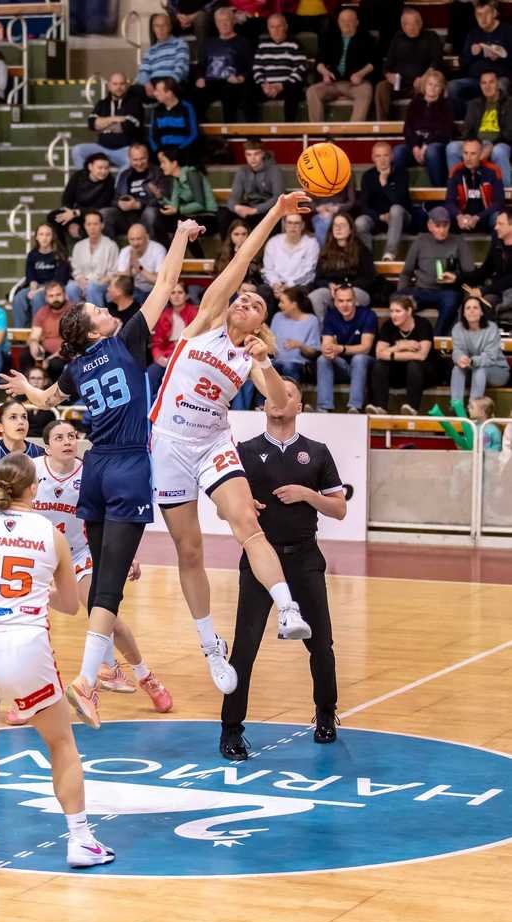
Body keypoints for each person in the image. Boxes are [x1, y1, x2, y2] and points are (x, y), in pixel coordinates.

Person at [0, 218, 207, 729]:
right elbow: (165, 282)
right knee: (110, 584)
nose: (106, 309)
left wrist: (27, 389)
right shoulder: (128, 340)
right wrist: (180, 236)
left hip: (94, 468)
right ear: (94, 331)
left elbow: (46, 401)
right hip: (129, 466)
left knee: (102, 585)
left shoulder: (76, 368)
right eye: (98, 311)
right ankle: (89, 680)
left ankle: (117, 673)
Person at [149, 192, 315, 699]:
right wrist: (277, 211)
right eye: (241, 298)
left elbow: (280, 403)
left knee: (247, 522)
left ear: (261, 323)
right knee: (189, 549)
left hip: (213, 444)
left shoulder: (252, 357)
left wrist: (264, 362)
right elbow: (241, 259)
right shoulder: (203, 323)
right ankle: (210, 645)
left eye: (255, 304)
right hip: (169, 445)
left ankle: (287, 607)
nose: (244, 302)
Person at [0, 452, 114, 869]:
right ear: (33, 488)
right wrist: (38, 590)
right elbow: (71, 605)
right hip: (25, 646)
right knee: (60, 742)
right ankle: (80, 839)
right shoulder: (49, 533)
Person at [220, 377, 346, 760]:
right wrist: (241, 506)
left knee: (321, 644)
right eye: (272, 394)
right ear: (263, 405)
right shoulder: (244, 451)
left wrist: (307, 494)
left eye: (288, 393)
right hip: (260, 560)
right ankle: (231, 730)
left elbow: (339, 508)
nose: (279, 398)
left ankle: (326, 713)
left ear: (299, 407)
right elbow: (222, 506)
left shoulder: (317, 452)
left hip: (305, 558)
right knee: (244, 648)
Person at [31, 419, 173, 709]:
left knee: (108, 618)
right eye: (59, 438)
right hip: (40, 558)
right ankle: (28, 697)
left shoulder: (90, 471)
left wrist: (125, 554)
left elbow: (113, 518)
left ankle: (144, 675)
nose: (68, 442)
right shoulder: (32, 470)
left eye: (72, 436)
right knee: (27, 627)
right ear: (47, 447)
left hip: (79, 554)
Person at [397, 206, 474, 337]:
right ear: (430, 226)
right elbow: (406, 273)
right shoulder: (420, 241)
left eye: (445, 226)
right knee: (396, 299)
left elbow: (470, 273)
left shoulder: (458, 241)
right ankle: (408, 337)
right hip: (422, 290)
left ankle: (436, 338)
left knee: (451, 301)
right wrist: (401, 294)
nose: (442, 230)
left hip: (447, 292)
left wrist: (455, 277)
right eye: (438, 226)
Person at [366, 294, 437, 416]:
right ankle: (380, 407)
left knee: (414, 364)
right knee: (379, 365)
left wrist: (391, 353)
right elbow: (379, 353)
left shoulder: (423, 324)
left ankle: (412, 408)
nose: (393, 315)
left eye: (398, 311)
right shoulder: (388, 325)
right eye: (391, 311)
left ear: (409, 311)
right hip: (398, 372)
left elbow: (421, 356)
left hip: (423, 373)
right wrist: (400, 346)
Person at [306, 7, 375, 124]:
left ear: (357, 22)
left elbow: (373, 62)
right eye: (342, 21)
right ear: (338, 22)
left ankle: (353, 131)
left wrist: (360, 74)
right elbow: (319, 60)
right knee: (312, 91)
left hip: (356, 84)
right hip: (333, 83)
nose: (346, 24)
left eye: (350, 21)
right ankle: (317, 130)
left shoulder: (366, 38)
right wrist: (325, 72)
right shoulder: (331, 37)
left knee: (366, 90)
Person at [374, 6, 443, 121]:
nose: (411, 27)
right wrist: (389, 75)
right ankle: (383, 124)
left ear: (420, 23)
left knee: (427, 87)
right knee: (381, 87)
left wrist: (424, 78)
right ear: (403, 26)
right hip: (399, 84)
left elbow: (437, 61)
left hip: (420, 83)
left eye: (415, 23)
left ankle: (417, 124)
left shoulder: (431, 36)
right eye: (407, 24)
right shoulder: (397, 38)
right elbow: (387, 65)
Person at [316, 284, 377, 413]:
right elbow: (327, 344)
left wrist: (341, 349)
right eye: (341, 301)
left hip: (366, 367)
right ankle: (323, 407)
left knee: (359, 358)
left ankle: (355, 407)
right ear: (335, 302)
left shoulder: (368, 315)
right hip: (343, 365)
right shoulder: (331, 316)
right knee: (323, 359)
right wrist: (328, 351)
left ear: (355, 301)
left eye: (349, 300)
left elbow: (366, 348)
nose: (345, 305)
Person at [447, 71, 512, 188]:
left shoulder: (509, 103)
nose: (487, 86)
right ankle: (459, 188)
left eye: (491, 82)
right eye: (484, 83)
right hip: (478, 142)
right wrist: (476, 145)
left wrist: (491, 145)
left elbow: (509, 133)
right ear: (480, 85)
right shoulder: (474, 104)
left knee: (499, 151)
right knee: (452, 148)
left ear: (498, 84)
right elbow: (467, 130)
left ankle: (506, 192)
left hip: (500, 143)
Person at [448, 0, 512, 118]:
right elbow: (462, 62)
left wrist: (502, 56)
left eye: (487, 13)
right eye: (479, 15)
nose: (482, 19)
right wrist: (472, 53)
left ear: (494, 13)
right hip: (476, 79)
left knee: (501, 86)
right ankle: (470, 119)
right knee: (452, 87)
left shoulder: (508, 31)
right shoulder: (473, 33)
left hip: (499, 77)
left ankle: (497, 122)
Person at [194, 6, 258, 123]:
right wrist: (200, 77)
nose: (223, 24)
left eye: (226, 20)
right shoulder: (208, 43)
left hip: (233, 82)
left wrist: (241, 77)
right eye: (220, 21)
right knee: (195, 94)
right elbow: (201, 65)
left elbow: (251, 66)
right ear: (216, 24)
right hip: (211, 82)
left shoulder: (244, 42)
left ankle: (229, 131)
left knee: (230, 93)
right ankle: (203, 129)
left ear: (233, 21)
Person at [392, 68, 454, 187]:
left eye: (437, 85)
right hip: (416, 146)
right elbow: (408, 128)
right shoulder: (415, 103)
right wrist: (415, 146)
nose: (433, 88)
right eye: (430, 84)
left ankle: (438, 190)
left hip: (435, 146)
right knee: (398, 152)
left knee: (431, 151)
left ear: (441, 88)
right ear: (425, 85)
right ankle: (399, 189)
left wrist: (426, 145)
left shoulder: (446, 105)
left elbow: (445, 130)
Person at [309, 213, 376, 322]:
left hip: (355, 289)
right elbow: (318, 279)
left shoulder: (362, 250)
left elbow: (369, 278)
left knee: (348, 298)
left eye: (342, 225)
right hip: (332, 291)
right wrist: (329, 285)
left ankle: (351, 329)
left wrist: (346, 286)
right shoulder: (326, 251)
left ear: (350, 230)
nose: (338, 228)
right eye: (335, 225)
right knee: (315, 297)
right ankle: (324, 330)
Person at [73, 72, 144, 172]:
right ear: (109, 86)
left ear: (127, 85)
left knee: (132, 162)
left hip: (124, 150)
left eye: (122, 84)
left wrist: (102, 124)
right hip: (102, 148)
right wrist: (114, 119)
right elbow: (92, 124)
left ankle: (118, 183)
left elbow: (128, 126)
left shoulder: (134, 103)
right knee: (78, 150)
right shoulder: (102, 103)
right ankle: (84, 181)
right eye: (115, 84)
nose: (118, 87)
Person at [153, 147, 218, 253]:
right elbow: (174, 205)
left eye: (164, 162)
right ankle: (167, 255)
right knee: (159, 222)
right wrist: (160, 197)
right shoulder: (176, 180)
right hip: (189, 216)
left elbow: (200, 204)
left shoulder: (192, 174)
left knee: (184, 226)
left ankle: (199, 259)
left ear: (174, 163)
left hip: (207, 216)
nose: (161, 166)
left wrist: (178, 210)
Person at [355, 141, 412, 262]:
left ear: (392, 156)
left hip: (401, 218)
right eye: (378, 156)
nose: (382, 160)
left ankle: (389, 254)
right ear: (373, 158)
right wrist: (380, 217)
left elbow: (400, 202)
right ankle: (367, 259)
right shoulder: (368, 176)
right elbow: (364, 206)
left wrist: (384, 183)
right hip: (377, 218)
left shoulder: (401, 173)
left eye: (385, 155)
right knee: (360, 223)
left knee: (395, 209)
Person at [218, 141, 284, 240]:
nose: (252, 158)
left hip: (266, 208)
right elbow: (233, 197)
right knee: (224, 214)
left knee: (272, 215)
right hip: (249, 207)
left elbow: (278, 197)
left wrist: (256, 210)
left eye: (256, 154)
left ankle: (267, 248)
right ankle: (226, 247)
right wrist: (236, 207)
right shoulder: (242, 171)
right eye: (249, 155)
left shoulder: (274, 170)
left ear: (262, 154)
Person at [47, 154, 116, 247]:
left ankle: (86, 241)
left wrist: (77, 213)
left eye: (106, 168)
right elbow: (67, 199)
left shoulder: (110, 181)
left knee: (95, 220)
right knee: (55, 217)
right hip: (75, 213)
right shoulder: (78, 176)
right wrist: (71, 223)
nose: (103, 171)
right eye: (100, 168)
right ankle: (62, 250)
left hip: (93, 214)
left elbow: (101, 205)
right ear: (90, 167)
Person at [450, 295, 510, 402]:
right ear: (463, 313)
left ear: (481, 312)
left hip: (496, 370)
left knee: (479, 369)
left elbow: (490, 357)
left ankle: (474, 408)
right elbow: (457, 351)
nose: (471, 311)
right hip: (471, 370)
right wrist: (460, 358)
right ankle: (457, 407)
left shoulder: (491, 328)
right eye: (468, 308)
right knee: (457, 369)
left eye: (475, 307)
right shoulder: (457, 328)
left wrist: (472, 361)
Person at [11, 223, 71, 328]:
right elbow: (31, 276)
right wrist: (33, 289)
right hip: (37, 286)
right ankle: (20, 332)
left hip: (54, 287)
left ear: (52, 237)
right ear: (37, 237)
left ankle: (38, 330)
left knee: (37, 297)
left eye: (48, 234)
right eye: (41, 234)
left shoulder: (59, 254)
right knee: (19, 298)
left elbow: (59, 279)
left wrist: (39, 291)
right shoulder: (32, 254)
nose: (44, 238)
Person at [252, 13, 309, 122]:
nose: (276, 30)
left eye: (279, 26)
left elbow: (300, 68)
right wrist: (263, 84)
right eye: (272, 27)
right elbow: (257, 68)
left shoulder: (295, 44)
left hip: (287, 86)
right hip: (267, 87)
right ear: (268, 28)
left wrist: (281, 86)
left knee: (294, 89)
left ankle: (288, 128)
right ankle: (253, 130)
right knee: (248, 91)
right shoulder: (262, 45)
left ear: (286, 27)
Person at [148, 281, 198, 397]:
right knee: (150, 376)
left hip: (187, 357)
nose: (176, 296)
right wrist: (159, 357)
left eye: (180, 292)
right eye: (173, 293)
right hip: (166, 357)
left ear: (186, 296)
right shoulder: (164, 315)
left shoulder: (194, 313)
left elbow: (197, 341)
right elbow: (156, 343)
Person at [102, 143, 162, 238]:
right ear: (129, 159)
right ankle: (108, 245)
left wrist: (139, 205)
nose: (139, 163)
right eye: (135, 160)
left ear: (148, 156)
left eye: (142, 158)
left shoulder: (157, 172)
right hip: (126, 217)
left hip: (148, 215)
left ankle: (151, 245)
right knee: (105, 213)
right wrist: (119, 204)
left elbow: (162, 199)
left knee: (150, 212)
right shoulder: (124, 175)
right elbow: (115, 199)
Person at [446, 137, 505, 233]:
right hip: (462, 219)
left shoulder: (493, 171)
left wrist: (477, 217)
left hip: (485, 218)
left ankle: (495, 242)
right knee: (443, 213)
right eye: (465, 153)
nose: (468, 158)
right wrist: (459, 216)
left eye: (473, 154)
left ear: (481, 154)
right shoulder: (455, 171)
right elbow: (449, 201)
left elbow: (499, 202)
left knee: (497, 217)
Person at [463, 204, 512, 312]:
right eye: (496, 223)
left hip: (507, 290)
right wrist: (457, 278)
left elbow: (510, 279)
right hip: (499, 290)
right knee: (473, 303)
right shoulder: (497, 244)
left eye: (500, 224)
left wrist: (484, 290)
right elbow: (485, 270)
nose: (495, 227)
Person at [65, 210, 119, 308]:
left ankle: (97, 316)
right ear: (85, 226)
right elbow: (76, 270)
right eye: (89, 224)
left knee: (92, 288)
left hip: (102, 283)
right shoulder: (78, 246)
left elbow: (113, 273)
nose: (92, 228)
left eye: (95, 224)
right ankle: (79, 315)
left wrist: (92, 283)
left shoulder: (111, 246)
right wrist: (81, 280)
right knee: (70, 287)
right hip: (82, 282)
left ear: (102, 225)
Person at [21, 281, 73, 381]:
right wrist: (33, 344)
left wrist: (49, 359)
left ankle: (55, 389)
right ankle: (26, 388)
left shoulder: (73, 311)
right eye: (51, 296)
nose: (55, 298)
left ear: (64, 294)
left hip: (65, 353)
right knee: (25, 356)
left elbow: (72, 343)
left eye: (58, 294)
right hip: (45, 352)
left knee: (55, 364)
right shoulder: (42, 312)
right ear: (46, 298)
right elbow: (34, 336)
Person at [269, 285, 320, 382]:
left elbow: (313, 352)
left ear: (294, 304)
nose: (279, 305)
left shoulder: (311, 320)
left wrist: (300, 345)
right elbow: (270, 343)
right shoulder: (277, 317)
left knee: (288, 366)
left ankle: (293, 391)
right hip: (277, 362)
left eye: (282, 302)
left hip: (299, 364)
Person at [262, 211, 320, 294]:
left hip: (299, 285)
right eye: (289, 223)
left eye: (296, 223)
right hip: (276, 285)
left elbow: (309, 272)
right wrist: (275, 284)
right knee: (263, 291)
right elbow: (267, 270)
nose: (293, 226)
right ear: (285, 225)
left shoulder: (311, 243)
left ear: (302, 225)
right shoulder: (273, 242)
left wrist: (288, 285)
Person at [135, 12, 190, 95]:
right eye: (157, 26)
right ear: (153, 29)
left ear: (170, 27)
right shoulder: (150, 50)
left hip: (172, 80)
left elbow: (181, 67)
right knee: (132, 91)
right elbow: (143, 71)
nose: (160, 29)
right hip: (153, 83)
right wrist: (147, 84)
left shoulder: (180, 43)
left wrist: (168, 84)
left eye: (164, 25)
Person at [149, 78, 200, 163]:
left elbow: (194, 134)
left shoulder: (187, 107)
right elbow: (152, 136)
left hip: (183, 152)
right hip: (162, 153)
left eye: (158, 91)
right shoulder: (156, 110)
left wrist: (178, 151)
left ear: (169, 93)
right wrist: (158, 152)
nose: (155, 93)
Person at [116, 223, 167, 304]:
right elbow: (121, 279)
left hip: (155, 290)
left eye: (139, 239)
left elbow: (160, 280)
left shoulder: (158, 250)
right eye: (132, 239)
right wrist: (130, 266)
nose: (135, 243)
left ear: (147, 237)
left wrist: (139, 268)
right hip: (135, 290)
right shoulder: (125, 251)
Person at [310, 178, 357, 248]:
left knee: (326, 223)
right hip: (320, 213)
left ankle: (328, 252)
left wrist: (337, 208)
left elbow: (351, 202)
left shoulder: (347, 176)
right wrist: (318, 208)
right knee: (321, 222)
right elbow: (310, 202)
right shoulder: (314, 175)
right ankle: (325, 252)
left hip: (341, 212)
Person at [23, 368, 56, 439]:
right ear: (27, 381)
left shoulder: (53, 400)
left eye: (39, 378)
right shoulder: (19, 400)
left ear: (45, 381)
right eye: (32, 378)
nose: (36, 381)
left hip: (44, 441)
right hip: (22, 440)